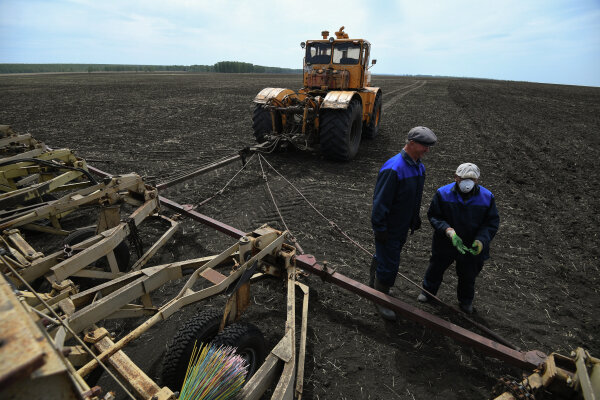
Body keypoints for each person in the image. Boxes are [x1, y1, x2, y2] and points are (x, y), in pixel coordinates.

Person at [370, 126, 438, 320]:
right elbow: (380, 202)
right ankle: (380, 298)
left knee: (386, 257)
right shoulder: (394, 168)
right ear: (411, 143)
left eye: (429, 146)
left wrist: (414, 219)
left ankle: (375, 285)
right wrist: (380, 228)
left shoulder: (418, 166)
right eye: (424, 145)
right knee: (389, 263)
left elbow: (414, 198)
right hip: (389, 227)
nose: (427, 150)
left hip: (402, 225)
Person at [417, 163, 499, 314]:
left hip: (470, 245)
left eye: (471, 179)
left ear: (477, 180)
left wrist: (481, 240)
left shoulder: (487, 198)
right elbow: (434, 215)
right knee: (436, 267)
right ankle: (428, 292)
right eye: (463, 178)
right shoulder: (443, 193)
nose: (467, 182)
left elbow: (491, 223)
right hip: (446, 242)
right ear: (456, 177)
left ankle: (466, 300)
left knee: (468, 274)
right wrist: (448, 231)